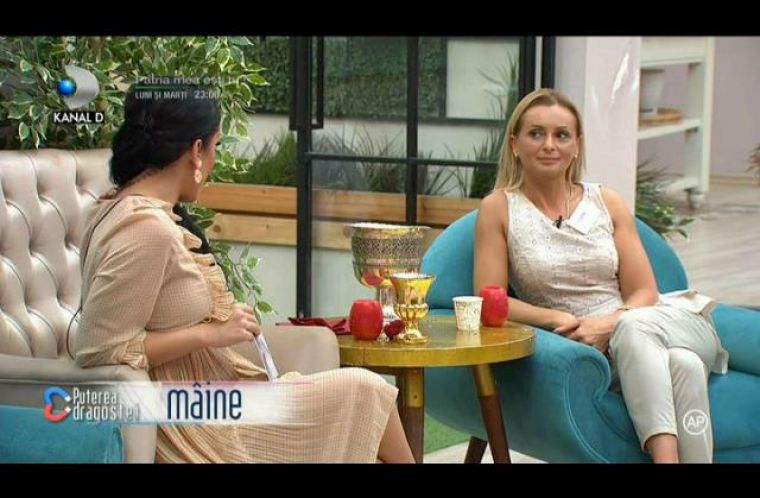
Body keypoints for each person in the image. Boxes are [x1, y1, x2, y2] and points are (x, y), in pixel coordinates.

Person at [73, 84, 414, 464]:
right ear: (196, 150)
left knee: (365, 407)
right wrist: (210, 333)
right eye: (216, 146)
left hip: (218, 401)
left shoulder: (138, 212)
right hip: (197, 422)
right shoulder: (145, 228)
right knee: (365, 389)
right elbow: (99, 348)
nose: (214, 161)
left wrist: (217, 325)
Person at [474, 88, 728, 463]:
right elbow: (489, 300)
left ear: (577, 145)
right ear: (514, 144)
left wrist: (608, 324)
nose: (549, 145)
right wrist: (556, 318)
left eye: (561, 135)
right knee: (684, 366)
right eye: (536, 134)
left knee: (633, 327)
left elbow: (644, 292)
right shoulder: (499, 208)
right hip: (601, 348)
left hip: (659, 321)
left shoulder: (607, 201)